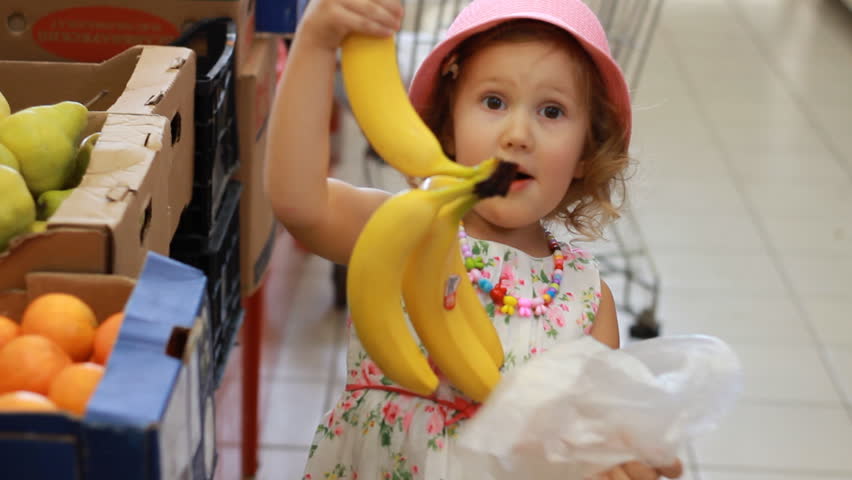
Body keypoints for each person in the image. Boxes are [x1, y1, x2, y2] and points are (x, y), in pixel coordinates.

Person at [266, 0, 684, 478]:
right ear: (447, 127)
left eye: (552, 110)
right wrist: (316, 43)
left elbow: (588, 441)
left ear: (586, 154)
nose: (518, 134)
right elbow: (299, 204)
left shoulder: (588, 301)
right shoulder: (402, 231)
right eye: (493, 102)